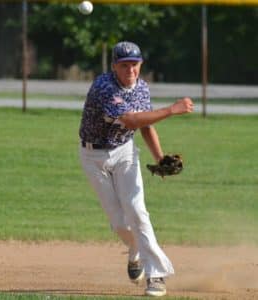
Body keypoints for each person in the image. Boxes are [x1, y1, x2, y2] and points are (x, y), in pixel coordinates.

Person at [79, 41, 194, 297]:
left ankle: (156, 275)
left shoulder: (141, 87)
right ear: (114, 66)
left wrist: (160, 157)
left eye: (135, 64)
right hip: (92, 155)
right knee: (120, 223)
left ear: (141, 64)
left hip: (124, 152)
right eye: (124, 65)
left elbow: (145, 126)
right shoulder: (104, 87)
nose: (130, 69)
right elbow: (131, 119)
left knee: (137, 211)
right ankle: (135, 253)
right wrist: (171, 110)